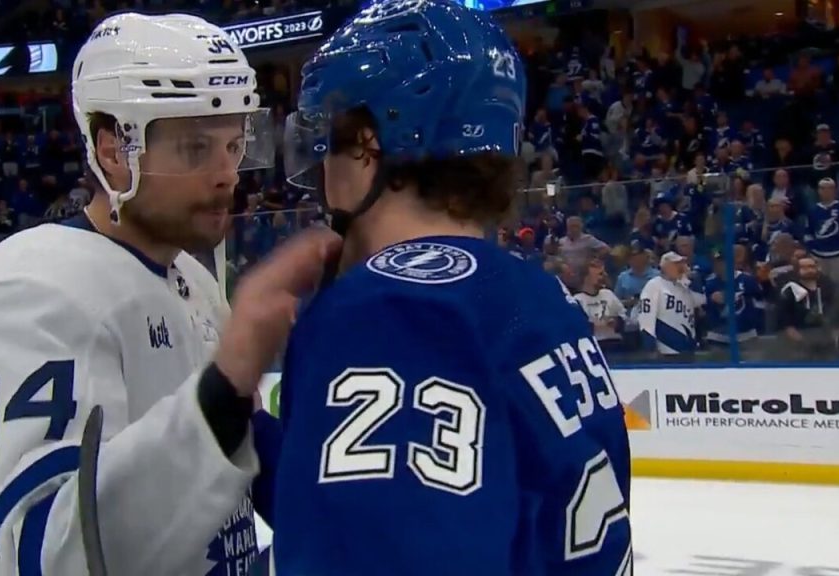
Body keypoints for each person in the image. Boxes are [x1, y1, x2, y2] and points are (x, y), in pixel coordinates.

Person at [0, 13, 341, 575]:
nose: (228, 173)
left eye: (233, 145)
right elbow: (50, 552)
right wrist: (222, 394)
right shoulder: (26, 287)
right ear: (114, 151)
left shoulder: (195, 280)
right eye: (196, 148)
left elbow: (236, 457)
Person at [270, 0, 632, 574]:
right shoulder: (537, 298)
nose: (317, 170)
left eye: (328, 138)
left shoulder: (386, 311)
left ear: (368, 144)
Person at [638, 251, 704, 360]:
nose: (681, 267)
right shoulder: (654, 285)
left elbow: (701, 300)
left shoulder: (683, 286)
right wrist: (650, 347)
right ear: (665, 267)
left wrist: (692, 278)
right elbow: (646, 318)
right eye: (676, 264)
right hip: (665, 351)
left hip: (688, 350)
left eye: (682, 264)